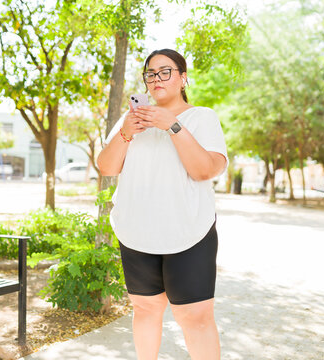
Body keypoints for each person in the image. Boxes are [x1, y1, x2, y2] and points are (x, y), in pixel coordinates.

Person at [97, 48, 228, 360]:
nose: (157, 78)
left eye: (165, 71)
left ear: (183, 78)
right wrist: (126, 133)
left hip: (189, 233)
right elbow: (107, 167)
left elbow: (204, 169)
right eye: (151, 73)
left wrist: (172, 125)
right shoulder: (130, 121)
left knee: (194, 317)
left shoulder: (202, 117)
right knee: (145, 310)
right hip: (137, 233)